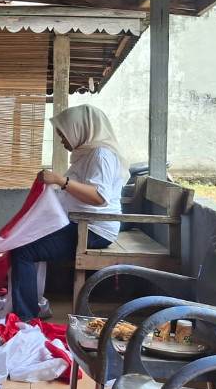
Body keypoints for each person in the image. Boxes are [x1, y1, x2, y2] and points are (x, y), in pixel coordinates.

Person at [9, 105, 128, 321]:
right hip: (80, 223)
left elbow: (99, 197)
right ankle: (28, 307)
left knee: (23, 250)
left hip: (92, 230)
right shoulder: (88, 154)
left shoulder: (101, 155)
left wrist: (60, 181)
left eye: (64, 135)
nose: (63, 141)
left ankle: (26, 317)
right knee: (24, 239)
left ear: (80, 129)